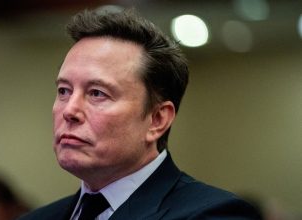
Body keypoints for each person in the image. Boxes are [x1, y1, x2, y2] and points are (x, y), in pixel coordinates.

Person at [18, 8, 262, 220]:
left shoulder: (215, 214)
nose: (69, 110)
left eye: (97, 93)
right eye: (64, 90)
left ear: (157, 119)